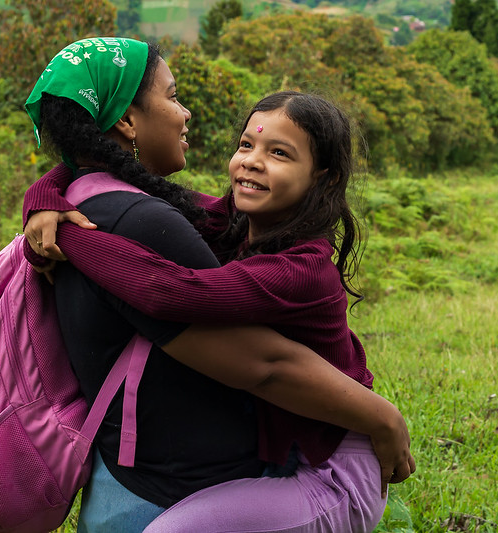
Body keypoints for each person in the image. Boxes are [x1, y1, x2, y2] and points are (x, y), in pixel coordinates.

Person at [24, 37, 414, 532]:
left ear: (323, 178)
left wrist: (69, 236)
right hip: (291, 453)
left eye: (279, 153)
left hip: (333, 468)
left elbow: (175, 293)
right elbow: (106, 168)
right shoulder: (230, 219)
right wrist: (43, 199)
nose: (252, 160)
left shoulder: (303, 269)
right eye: (247, 145)